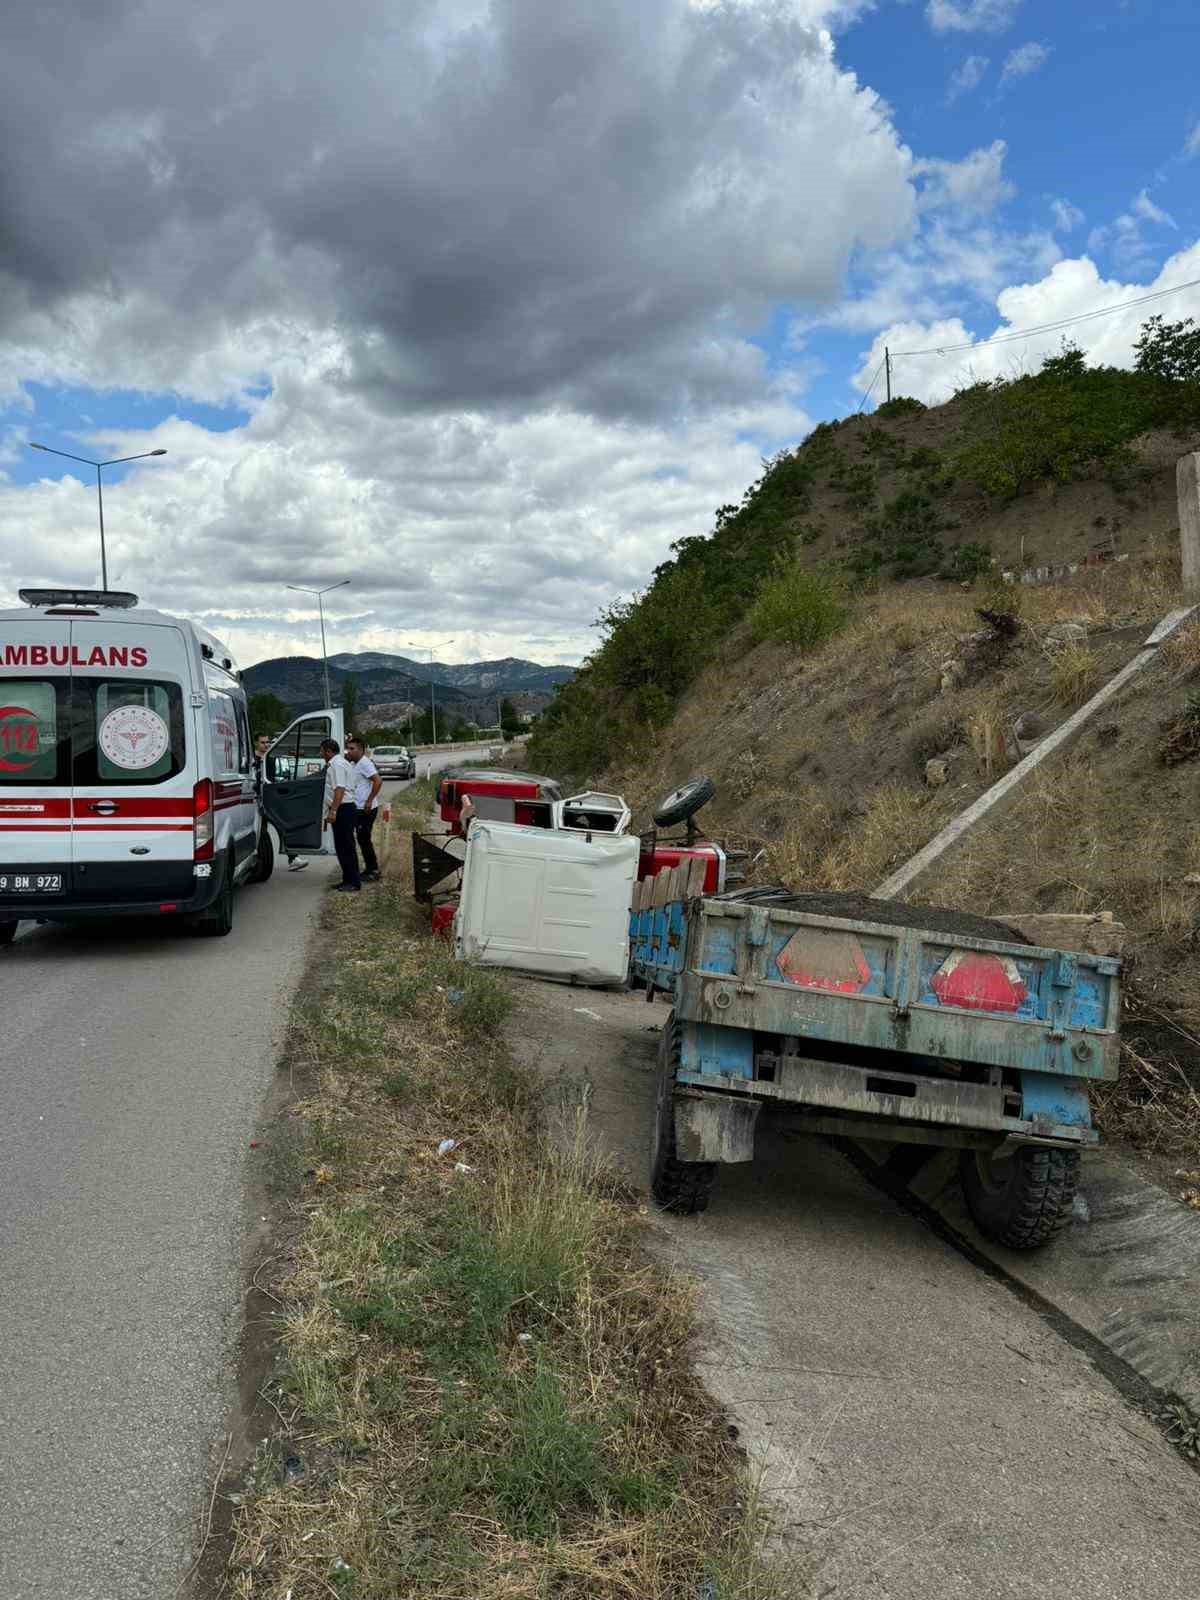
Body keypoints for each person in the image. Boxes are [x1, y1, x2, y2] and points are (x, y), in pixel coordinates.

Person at [254, 733, 308, 871]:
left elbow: (274, 779)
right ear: (256, 743)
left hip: (270, 799)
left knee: (282, 826)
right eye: (262, 742)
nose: (266, 745)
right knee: (260, 831)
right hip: (254, 801)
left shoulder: (271, 759)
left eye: (267, 742)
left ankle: (293, 858)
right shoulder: (250, 760)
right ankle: (258, 860)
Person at [320, 737, 360, 892]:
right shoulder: (340, 763)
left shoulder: (336, 765)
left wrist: (333, 810)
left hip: (343, 809)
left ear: (329, 751)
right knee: (343, 846)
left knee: (346, 847)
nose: (321, 754)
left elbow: (340, 789)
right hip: (344, 808)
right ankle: (347, 879)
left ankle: (353, 882)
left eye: (322, 751)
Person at [345, 733, 382, 882]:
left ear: (361, 750)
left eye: (352, 748)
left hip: (367, 808)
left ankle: (373, 870)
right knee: (361, 839)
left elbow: (378, 781)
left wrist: (369, 800)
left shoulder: (365, 763)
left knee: (364, 839)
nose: (349, 751)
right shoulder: (354, 763)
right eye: (348, 748)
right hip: (358, 807)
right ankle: (369, 868)